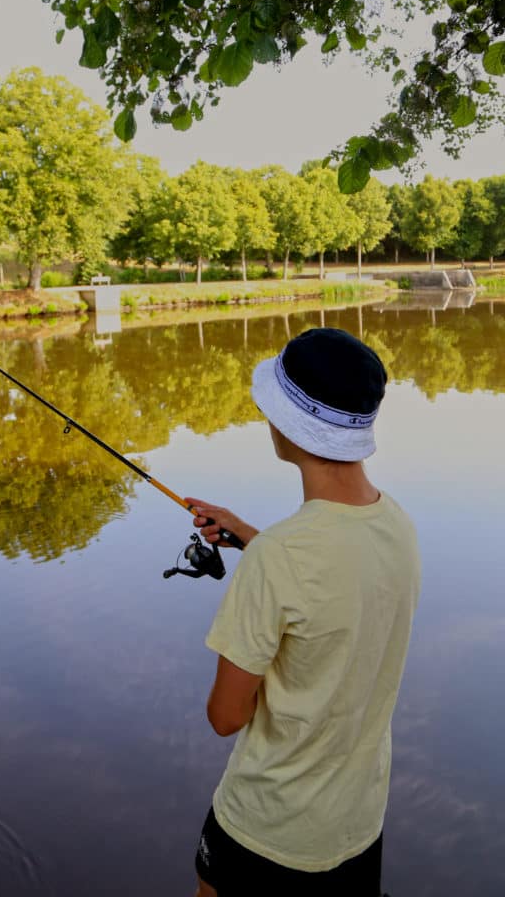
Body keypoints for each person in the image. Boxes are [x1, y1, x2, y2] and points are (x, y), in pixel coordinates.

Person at [186, 327, 420, 897]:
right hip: (357, 824)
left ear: (287, 423)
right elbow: (333, 579)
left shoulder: (278, 560)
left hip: (267, 830)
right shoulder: (397, 524)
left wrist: (261, 555)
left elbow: (225, 717)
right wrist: (248, 536)